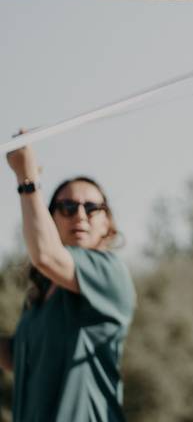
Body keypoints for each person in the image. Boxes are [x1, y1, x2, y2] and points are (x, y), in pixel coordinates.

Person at [2, 139, 136, 421]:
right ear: (50, 220)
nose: (79, 215)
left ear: (108, 224)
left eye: (91, 208)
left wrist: (27, 178)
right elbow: (17, 359)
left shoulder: (109, 272)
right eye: (67, 207)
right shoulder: (39, 294)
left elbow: (47, 256)